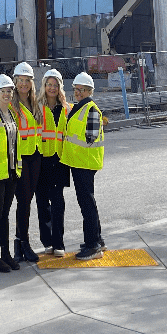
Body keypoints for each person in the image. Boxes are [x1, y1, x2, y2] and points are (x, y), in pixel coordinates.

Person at [61, 71, 105, 261]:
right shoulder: (80, 107)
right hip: (80, 162)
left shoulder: (91, 109)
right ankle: (97, 239)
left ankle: (92, 245)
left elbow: (90, 137)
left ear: (89, 91)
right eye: (76, 89)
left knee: (87, 204)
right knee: (88, 202)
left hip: (85, 163)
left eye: (82, 90)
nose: (77, 92)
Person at [0, 74, 21, 273]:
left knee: (5, 214)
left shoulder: (13, 115)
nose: (6, 94)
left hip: (11, 172)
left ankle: (5, 253)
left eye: (9, 91)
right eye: (3, 91)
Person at [10, 61, 43, 264]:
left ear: (32, 82)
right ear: (15, 82)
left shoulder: (35, 103)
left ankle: (19, 243)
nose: (23, 84)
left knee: (27, 201)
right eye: (20, 80)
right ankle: (22, 243)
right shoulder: (12, 104)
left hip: (35, 156)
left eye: (27, 80)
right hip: (20, 158)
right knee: (23, 201)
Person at [38, 68, 70, 258]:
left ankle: (59, 242)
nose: (52, 88)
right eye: (49, 84)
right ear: (44, 86)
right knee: (42, 202)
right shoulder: (37, 106)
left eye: (55, 85)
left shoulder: (67, 108)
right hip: (41, 160)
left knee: (58, 202)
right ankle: (47, 241)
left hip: (59, 161)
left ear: (60, 87)